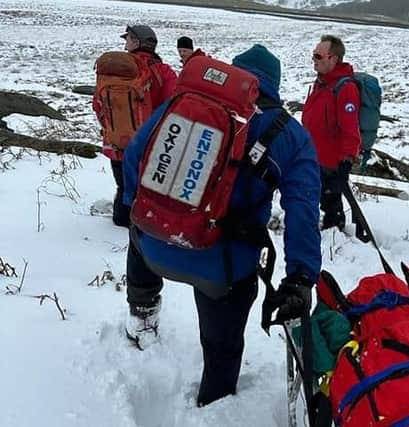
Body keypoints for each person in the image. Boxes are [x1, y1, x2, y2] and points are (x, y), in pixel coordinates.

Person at [121, 44, 322, 407]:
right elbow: (303, 212)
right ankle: (215, 401)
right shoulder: (291, 136)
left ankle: (142, 313)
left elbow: (136, 153)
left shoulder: (183, 102)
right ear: (274, 85)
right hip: (220, 267)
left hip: (152, 245)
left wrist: (143, 213)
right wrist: (300, 278)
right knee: (222, 343)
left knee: (138, 242)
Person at [92, 24, 177, 227]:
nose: (125, 43)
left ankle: (121, 220)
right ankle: (142, 225)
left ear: (138, 42)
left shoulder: (112, 71)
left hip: (115, 143)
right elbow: (173, 105)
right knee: (145, 188)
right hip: (148, 145)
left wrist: (110, 126)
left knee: (123, 186)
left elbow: (98, 104)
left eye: (128, 39)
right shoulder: (162, 71)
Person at [302, 35, 360, 231]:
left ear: (333, 59)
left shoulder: (346, 89)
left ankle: (335, 237)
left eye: (318, 56)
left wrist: (347, 159)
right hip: (312, 156)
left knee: (331, 205)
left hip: (331, 163)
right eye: (314, 55)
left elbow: (350, 128)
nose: (314, 60)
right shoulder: (321, 83)